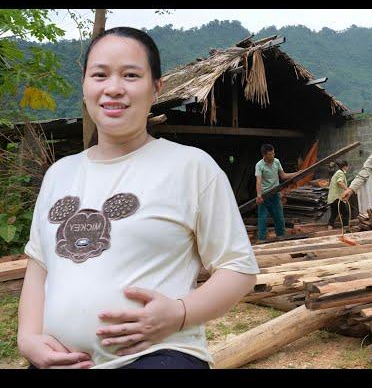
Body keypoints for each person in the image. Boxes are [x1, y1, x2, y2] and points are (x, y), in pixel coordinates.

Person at [17, 27, 259, 369]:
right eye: (99, 75)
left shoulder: (190, 167)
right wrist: (28, 339)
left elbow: (238, 268)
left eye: (131, 75)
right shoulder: (60, 173)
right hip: (60, 361)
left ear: (156, 88)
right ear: (85, 85)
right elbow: (39, 264)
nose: (113, 88)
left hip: (159, 357)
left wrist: (180, 312)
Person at [255, 144, 299, 242]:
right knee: (262, 218)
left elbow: (283, 176)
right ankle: (261, 240)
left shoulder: (276, 162)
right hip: (264, 195)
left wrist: (296, 173)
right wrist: (259, 195)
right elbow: (258, 181)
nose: (273, 155)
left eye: (273, 153)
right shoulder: (259, 165)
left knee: (279, 217)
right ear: (264, 155)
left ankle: (281, 237)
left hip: (275, 194)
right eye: (270, 154)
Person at [327, 160, 351, 230]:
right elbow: (339, 182)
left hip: (332, 198)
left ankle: (329, 229)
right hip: (337, 198)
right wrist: (347, 190)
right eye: (347, 166)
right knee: (346, 212)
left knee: (334, 214)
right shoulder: (340, 173)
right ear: (345, 167)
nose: (348, 168)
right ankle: (346, 229)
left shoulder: (337, 173)